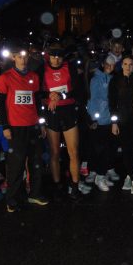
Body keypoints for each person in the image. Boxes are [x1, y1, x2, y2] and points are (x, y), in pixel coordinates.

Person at [0, 43, 47, 212]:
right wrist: (5, 126)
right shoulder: (5, 77)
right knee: (16, 164)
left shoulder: (34, 76)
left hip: (33, 126)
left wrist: (41, 123)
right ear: (13, 58)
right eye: (19, 57)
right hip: (15, 127)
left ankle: (35, 194)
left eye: (25, 56)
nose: (23, 60)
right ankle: (12, 198)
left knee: (36, 162)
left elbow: (36, 102)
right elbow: (0, 104)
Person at [40, 43, 91, 199]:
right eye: (53, 57)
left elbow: (78, 92)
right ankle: (57, 185)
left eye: (59, 57)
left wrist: (60, 95)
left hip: (68, 112)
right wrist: (49, 96)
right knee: (54, 152)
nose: (56, 60)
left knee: (73, 152)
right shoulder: (41, 69)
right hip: (51, 113)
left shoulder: (70, 68)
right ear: (48, 57)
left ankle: (75, 186)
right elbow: (37, 93)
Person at [108, 54, 133, 194]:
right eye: (126, 64)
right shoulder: (115, 80)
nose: (128, 67)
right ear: (121, 65)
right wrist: (114, 122)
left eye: (131, 64)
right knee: (126, 149)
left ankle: (129, 175)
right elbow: (112, 103)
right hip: (121, 121)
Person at [86, 55, 120, 192]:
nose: (110, 67)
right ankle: (99, 176)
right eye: (107, 64)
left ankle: (101, 174)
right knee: (101, 149)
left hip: (109, 119)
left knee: (107, 149)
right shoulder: (96, 79)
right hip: (99, 121)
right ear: (103, 64)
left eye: (112, 65)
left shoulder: (112, 78)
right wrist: (94, 118)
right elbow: (93, 99)